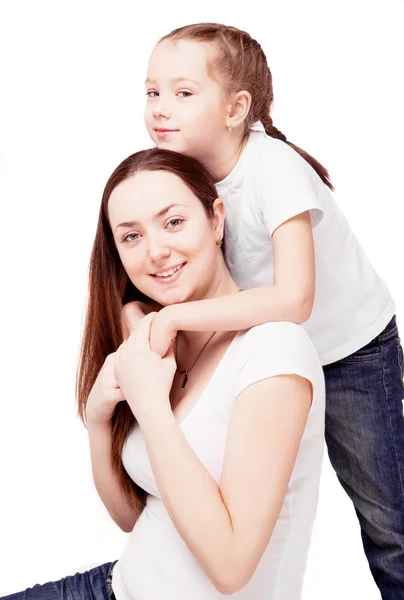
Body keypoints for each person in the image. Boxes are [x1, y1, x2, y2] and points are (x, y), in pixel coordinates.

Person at [135, 23, 404, 598]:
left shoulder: (272, 168)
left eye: (183, 93)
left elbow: (294, 299)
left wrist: (176, 320)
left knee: (389, 522)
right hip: (271, 357)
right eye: (152, 91)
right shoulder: (184, 175)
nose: (160, 108)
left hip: (351, 351)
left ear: (236, 108)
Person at [1, 148, 325, 600]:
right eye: (131, 237)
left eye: (173, 222)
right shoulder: (162, 345)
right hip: (116, 586)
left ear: (216, 220)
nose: (156, 251)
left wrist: (151, 405)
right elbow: (136, 519)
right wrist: (97, 421)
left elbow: (231, 568)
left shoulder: (272, 352)